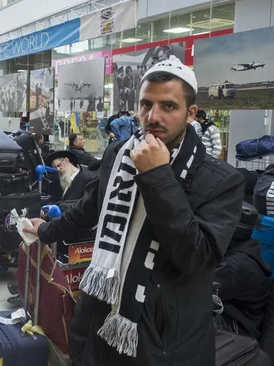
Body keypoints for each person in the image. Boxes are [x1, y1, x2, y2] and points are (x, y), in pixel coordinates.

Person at [24, 57, 245, 365]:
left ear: (190, 113)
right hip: (98, 322)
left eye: (168, 106)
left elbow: (196, 257)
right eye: (146, 104)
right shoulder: (119, 154)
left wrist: (157, 177)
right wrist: (46, 229)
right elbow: (90, 209)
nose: (153, 116)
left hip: (163, 342)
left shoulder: (220, 181)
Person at [214, 203, 271, 340]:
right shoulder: (246, 247)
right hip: (237, 318)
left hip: (237, 330)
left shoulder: (233, 267)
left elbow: (193, 288)